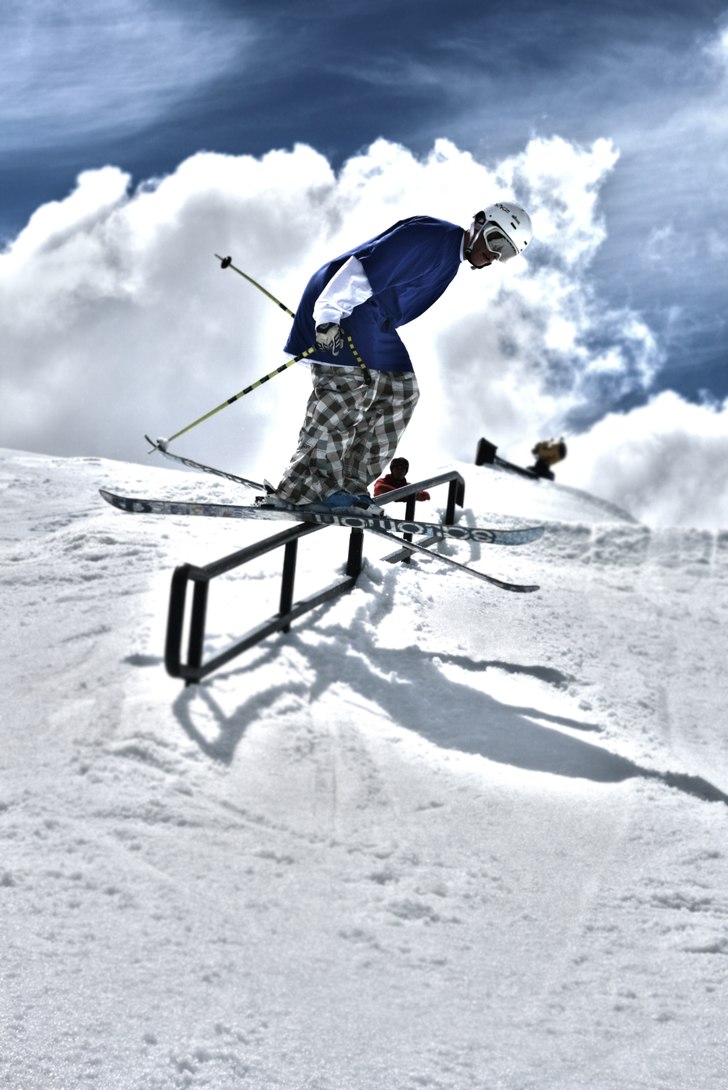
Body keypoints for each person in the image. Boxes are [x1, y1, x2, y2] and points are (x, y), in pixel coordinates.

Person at [259, 203, 533, 512]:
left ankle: (349, 484)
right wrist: (327, 317)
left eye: (506, 253)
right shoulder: (432, 237)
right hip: (348, 308)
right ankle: (306, 489)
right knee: (347, 391)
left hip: (376, 322)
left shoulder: (450, 260)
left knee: (401, 392)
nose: (494, 256)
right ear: (479, 224)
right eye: (496, 242)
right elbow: (364, 267)